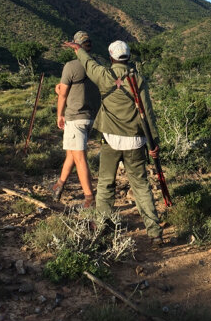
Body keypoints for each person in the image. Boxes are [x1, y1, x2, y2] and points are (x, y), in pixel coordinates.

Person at [63, 39, 163, 244]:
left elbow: (89, 64)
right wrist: (154, 143)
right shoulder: (138, 80)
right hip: (136, 142)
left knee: (106, 185)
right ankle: (154, 231)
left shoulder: (105, 76)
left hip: (110, 140)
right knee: (141, 187)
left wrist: (78, 49)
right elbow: (148, 114)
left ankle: (101, 225)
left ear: (111, 57)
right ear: (128, 57)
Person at [52, 31, 100, 208]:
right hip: (91, 117)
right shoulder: (97, 64)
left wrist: (59, 114)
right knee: (72, 153)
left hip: (75, 116)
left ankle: (89, 198)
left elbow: (63, 94)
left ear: (76, 46)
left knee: (80, 158)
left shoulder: (71, 66)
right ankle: (59, 186)